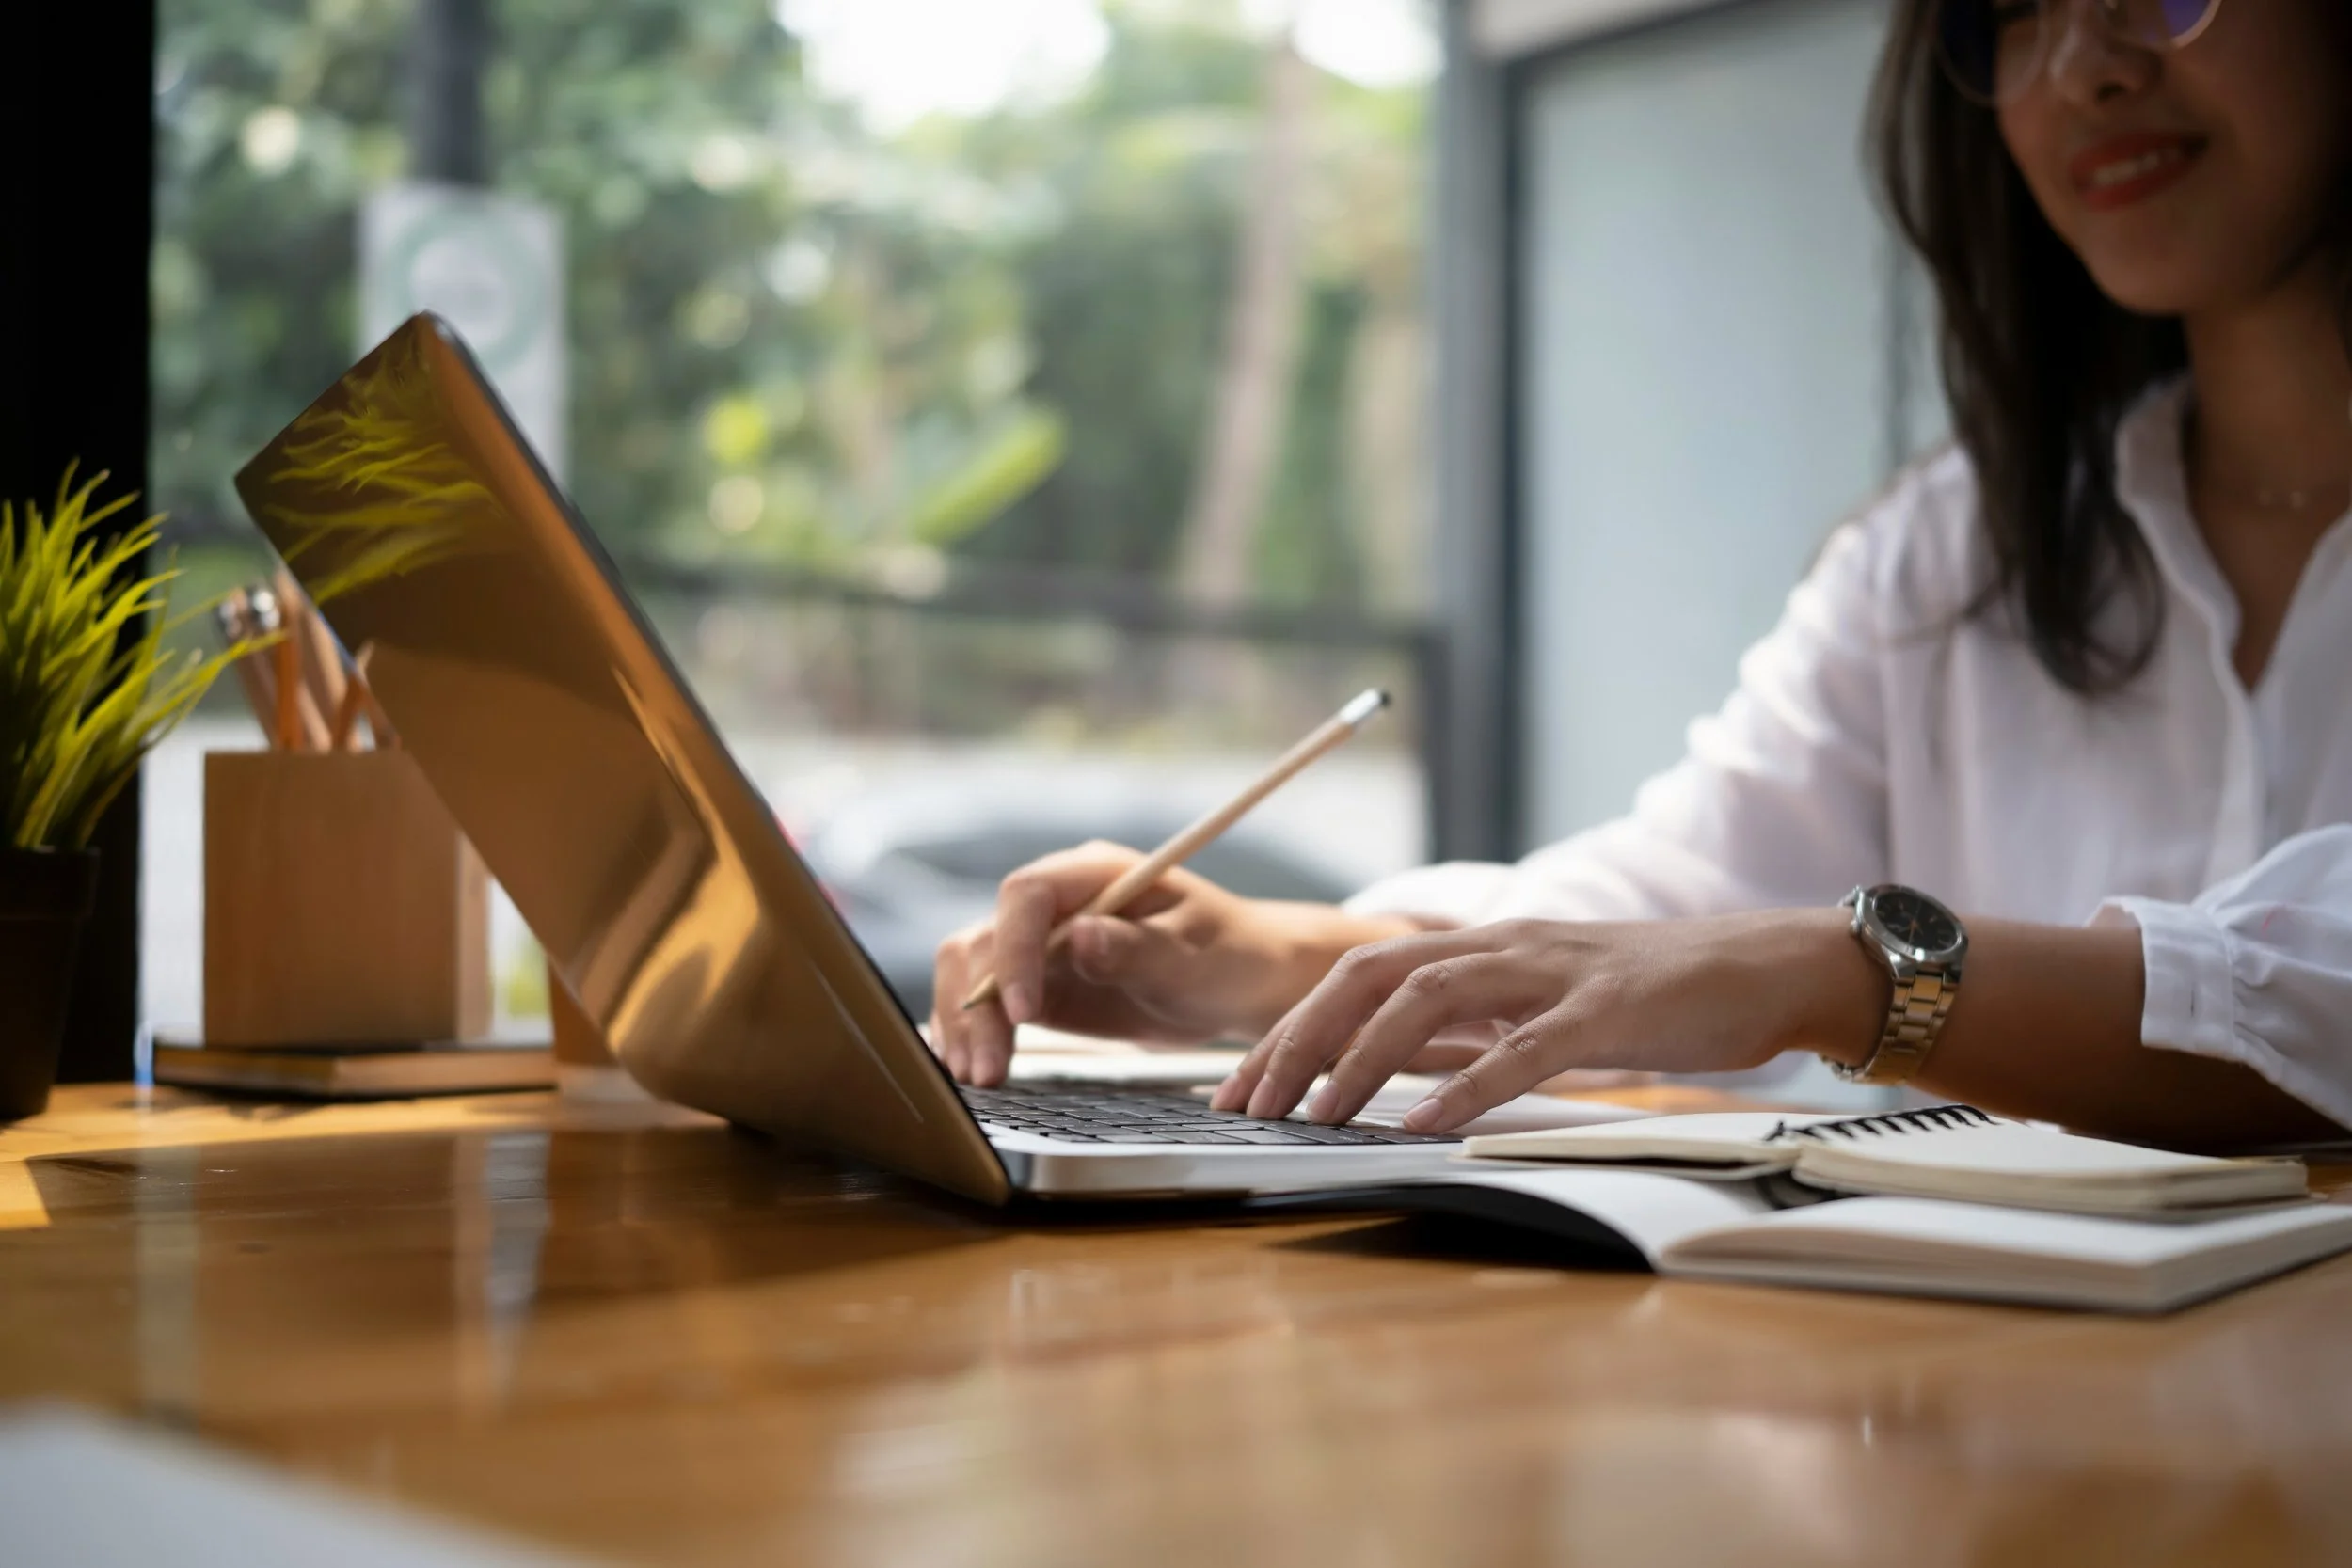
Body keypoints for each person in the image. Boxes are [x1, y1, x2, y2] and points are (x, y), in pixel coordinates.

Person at [930, 0, 2352, 1150]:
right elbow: (1683, 893)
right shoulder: (1955, 547)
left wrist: (1838, 971)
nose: (2084, 64)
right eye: (2012, 9)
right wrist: (1282, 955)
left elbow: (2318, 984)